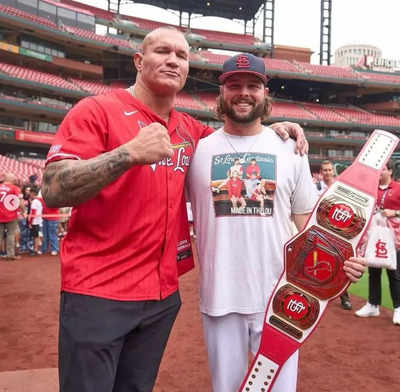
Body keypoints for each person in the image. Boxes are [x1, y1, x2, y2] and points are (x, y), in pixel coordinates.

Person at [42, 27, 308, 392]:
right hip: (99, 290)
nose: (172, 60)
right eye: (162, 51)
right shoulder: (97, 110)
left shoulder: (190, 132)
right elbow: (52, 187)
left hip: (160, 298)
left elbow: (236, 135)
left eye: (181, 56)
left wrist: (276, 129)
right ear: (138, 60)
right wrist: (126, 154)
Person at [187, 53, 367, 392]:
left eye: (253, 85)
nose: (243, 93)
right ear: (220, 95)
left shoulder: (290, 150)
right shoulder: (200, 150)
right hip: (220, 297)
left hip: (281, 299)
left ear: (265, 94)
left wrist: (342, 258)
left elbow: (308, 223)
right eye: (234, 86)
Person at [355, 159, 400, 325]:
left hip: (394, 238)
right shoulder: (372, 189)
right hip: (374, 235)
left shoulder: (398, 188)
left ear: (390, 172)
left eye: (383, 169)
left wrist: (394, 212)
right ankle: (373, 304)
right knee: (373, 271)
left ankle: (398, 308)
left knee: (394, 273)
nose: (379, 172)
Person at [315, 159, 353, 310]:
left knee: (339, 264)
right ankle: (317, 295)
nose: (328, 172)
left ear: (333, 171)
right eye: (325, 170)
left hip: (337, 231)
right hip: (319, 228)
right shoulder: (315, 187)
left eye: (330, 169)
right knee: (315, 262)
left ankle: (345, 297)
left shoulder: (340, 187)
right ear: (320, 172)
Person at [0, 173, 24, 261]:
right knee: (10, 235)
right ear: (11, 179)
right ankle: (10, 254)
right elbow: (20, 202)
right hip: (11, 215)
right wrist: (23, 211)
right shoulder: (15, 188)